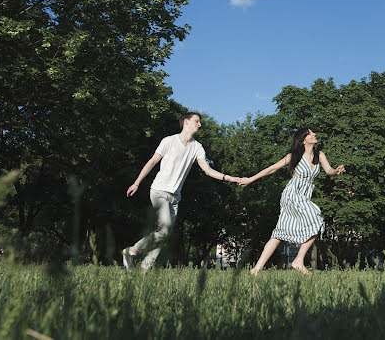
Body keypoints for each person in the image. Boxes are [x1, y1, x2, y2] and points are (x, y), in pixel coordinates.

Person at [122, 112, 241, 270]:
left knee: (165, 236)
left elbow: (208, 170)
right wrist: (137, 183)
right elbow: (152, 162)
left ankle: (144, 269)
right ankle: (132, 251)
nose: (199, 125)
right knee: (164, 231)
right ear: (186, 122)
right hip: (159, 190)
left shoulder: (197, 147)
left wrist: (230, 178)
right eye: (196, 121)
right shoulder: (169, 141)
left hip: (175, 198)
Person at [239, 128, 345, 275]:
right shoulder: (294, 156)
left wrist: (336, 171)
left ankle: (255, 270)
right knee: (317, 217)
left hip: (304, 197)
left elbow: (329, 171)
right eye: (310, 133)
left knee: (278, 234)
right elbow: (272, 168)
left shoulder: (319, 155)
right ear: (303, 140)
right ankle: (298, 261)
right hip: (292, 195)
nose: (314, 134)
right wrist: (250, 179)